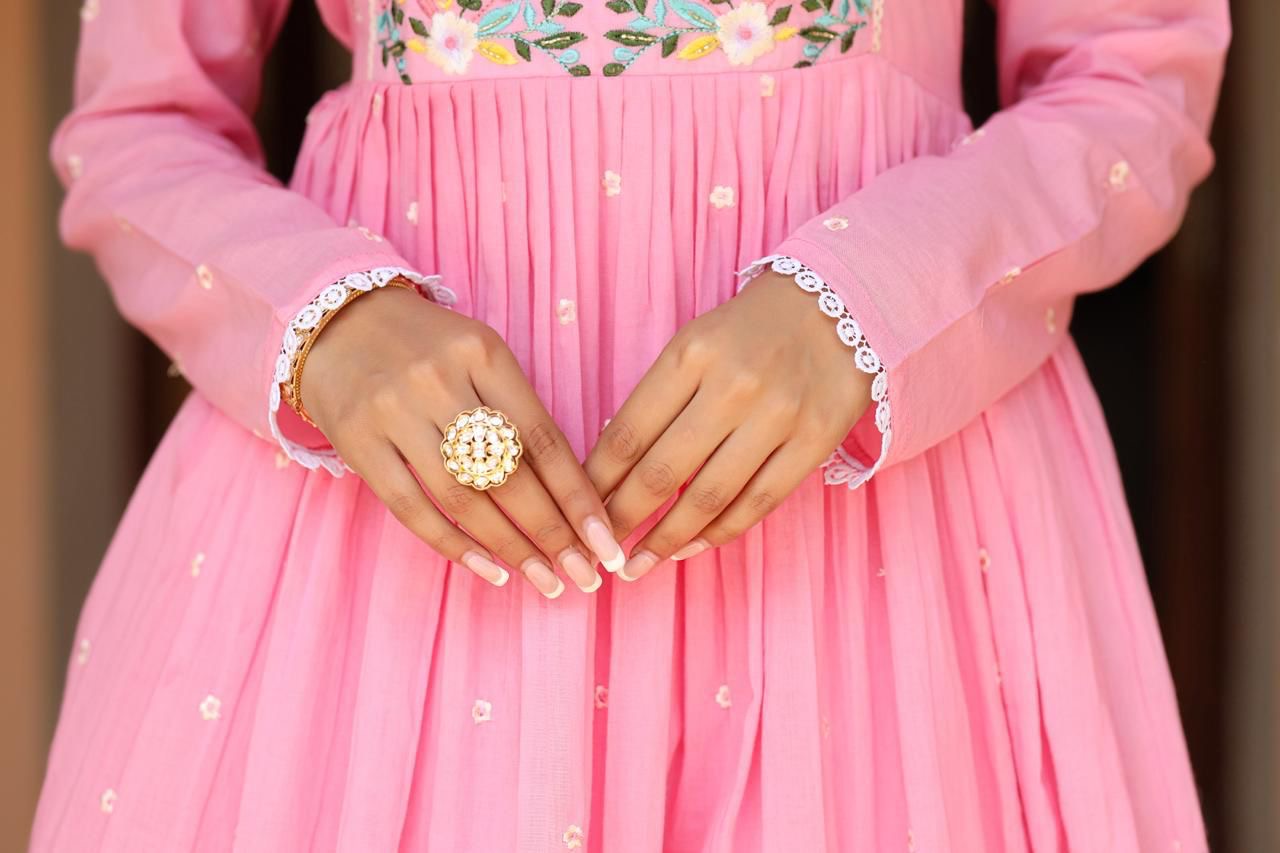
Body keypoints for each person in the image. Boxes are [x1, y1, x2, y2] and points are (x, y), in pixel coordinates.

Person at [32, 0, 1228, 849]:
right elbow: (138, 127)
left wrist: (875, 303)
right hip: (389, 551)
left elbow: (1130, 81)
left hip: (875, 546)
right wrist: (328, 328)